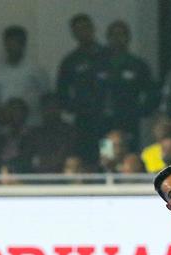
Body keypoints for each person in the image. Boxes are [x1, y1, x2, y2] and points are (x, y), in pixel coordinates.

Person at [57, 14, 108, 162]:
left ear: (92, 29)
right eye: (78, 29)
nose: (83, 32)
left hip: (106, 120)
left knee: (108, 156)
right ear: (73, 33)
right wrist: (73, 108)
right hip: (84, 121)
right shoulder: (70, 61)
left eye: (86, 27)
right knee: (86, 157)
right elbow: (62, 91)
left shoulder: (107, 55)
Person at [103, 20, 157, 146]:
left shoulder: (138, 65)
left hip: (128, 121)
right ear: (108, 38)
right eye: (113, 35)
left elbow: (152, 93)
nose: (117, 38)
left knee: (129, 153)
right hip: (104, 122)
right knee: (107, 153)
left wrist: (139, 111)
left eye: (121, 34)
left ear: (128, 37)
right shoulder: (99, 65)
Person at [0, 26, 49, 126]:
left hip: (31, 123)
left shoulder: (35, 69)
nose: (12, 47)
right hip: (6, 124)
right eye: (9, 43)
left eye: (16, 43)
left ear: (23, 45)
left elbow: (46, 95)